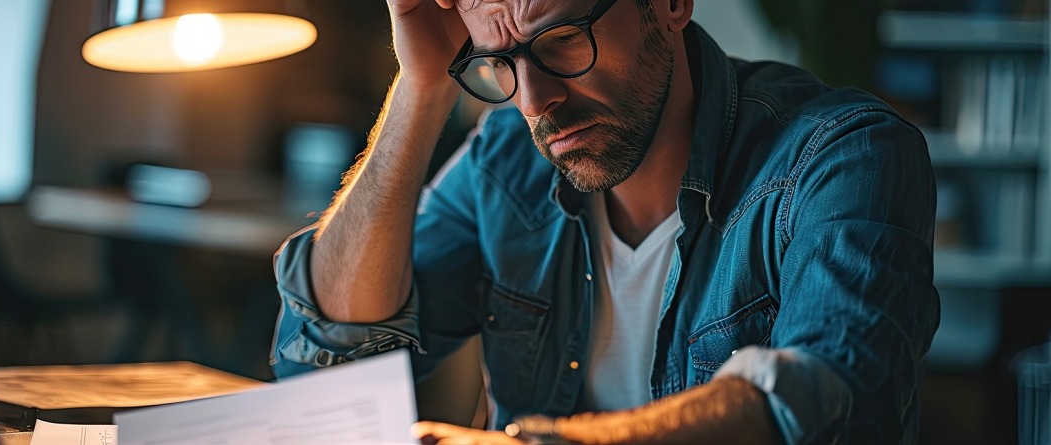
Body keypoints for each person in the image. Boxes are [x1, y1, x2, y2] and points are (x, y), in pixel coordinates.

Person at [269, 0, 941, 443]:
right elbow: (323, 374)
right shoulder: (504, 164)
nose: (535, 103)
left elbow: (835, 399)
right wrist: (422, 85)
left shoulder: (845, 155)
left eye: (562, 41)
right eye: (498, 64)